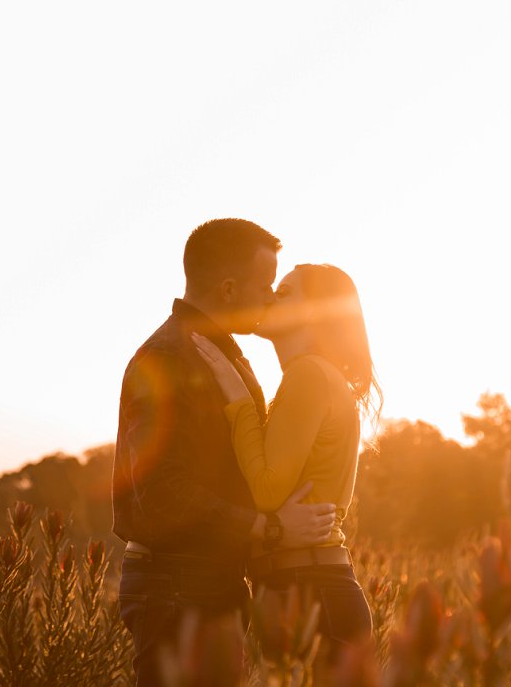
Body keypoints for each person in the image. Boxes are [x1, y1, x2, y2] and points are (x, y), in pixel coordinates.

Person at [112, 219, 339, 686]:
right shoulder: (168, 358)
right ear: (230, 288)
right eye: (266, 285)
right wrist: (268, 528)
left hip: (206, 584)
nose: (272, 296)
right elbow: (159, 490)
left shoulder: (220, 354)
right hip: (176, 586)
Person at [192, 262, 381, 663]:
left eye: (285, 292)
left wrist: (237, 398)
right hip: (308, 589)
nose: (269, 297)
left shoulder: (309, 375)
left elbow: (267, 489)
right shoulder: (313, 376)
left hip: (311, 592)